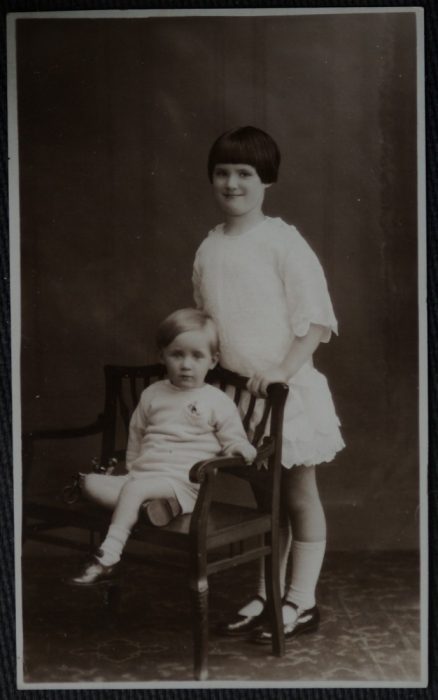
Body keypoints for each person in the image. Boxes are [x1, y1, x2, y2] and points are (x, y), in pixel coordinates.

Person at [193, 126, 345, 642]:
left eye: (245, 173)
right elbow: (207, 321)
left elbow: (317, 321)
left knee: (297, 495)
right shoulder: (209, 247)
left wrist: (283, 369)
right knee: (266, 502)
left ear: (266, 181)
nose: (232, 183)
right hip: (238, 398)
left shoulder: (283, 240)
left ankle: (301, 601)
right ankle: (268, 594)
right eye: (222, 172)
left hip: (283, 393)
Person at [69, 308, 256, 586]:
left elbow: (233, 438)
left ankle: (108, 556)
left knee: (132, 490)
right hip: (146, 480)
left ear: (213, 360)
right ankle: (148, 509)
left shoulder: (216, 401)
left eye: (197, 356)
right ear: (162, 356)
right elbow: (137, 434)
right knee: (90, 483)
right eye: (177, 355)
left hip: (183, 484)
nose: (186, 365)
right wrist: (133, 469)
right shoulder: (152, 394)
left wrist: (241, 447)